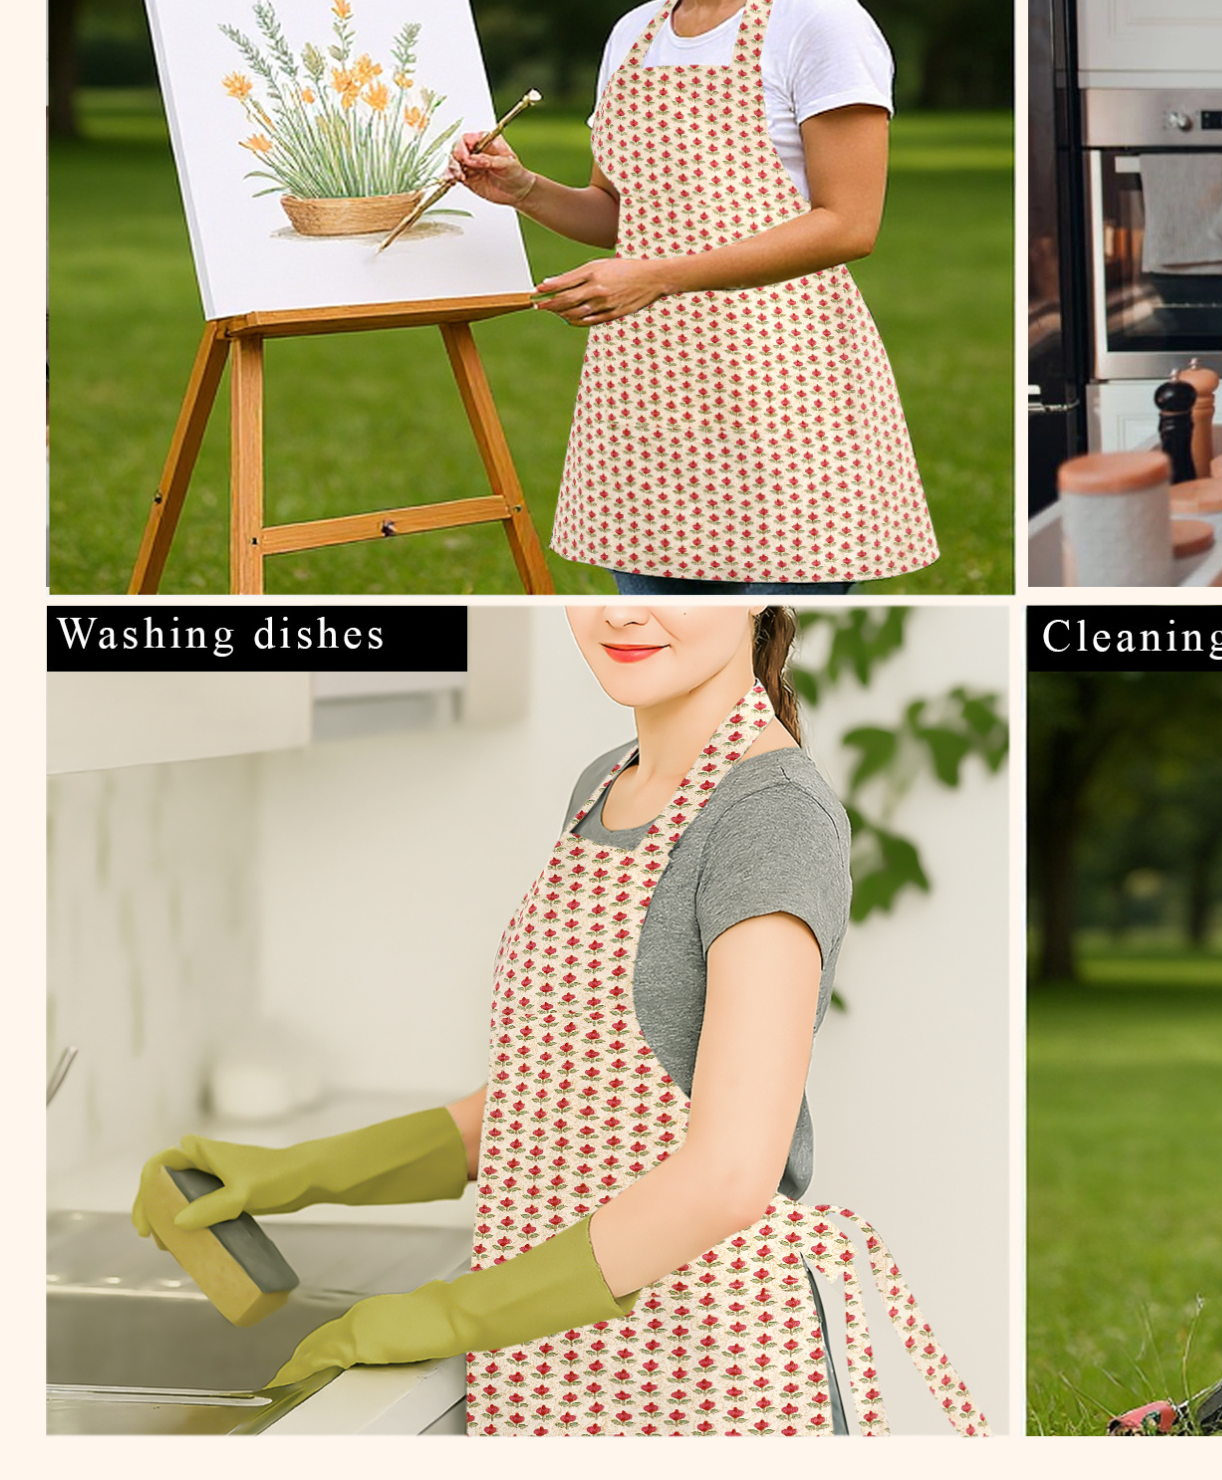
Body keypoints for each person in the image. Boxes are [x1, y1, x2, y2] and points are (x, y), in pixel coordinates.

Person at [132, 606, 983, 1438]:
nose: (626, 615)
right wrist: (294, 1176)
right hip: (554, 1360)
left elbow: (729, 1173)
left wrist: (449, 1313)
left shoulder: (772, 817)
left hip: (703, 1378)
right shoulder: (606, 783)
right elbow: (543, 1100)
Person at [451, 0, 937, 594]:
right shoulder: (632, 35)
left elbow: (849, 224)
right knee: (675, 677)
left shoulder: (820, 24)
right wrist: (526, 188)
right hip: (647, 399)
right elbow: (620, 220)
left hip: (784, 387)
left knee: (771, 681)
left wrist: (656, 278)